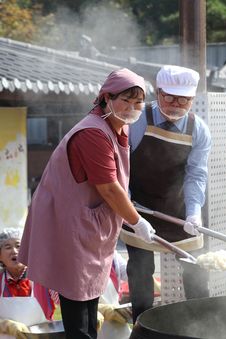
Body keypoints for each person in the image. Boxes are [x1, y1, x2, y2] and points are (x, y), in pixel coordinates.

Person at [18, 68, 155, 339]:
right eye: (125, 100)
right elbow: (108, 187)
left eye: (138, 102)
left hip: (90, 224)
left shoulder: (118, 127)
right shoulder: (92, 133)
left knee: (90, 300)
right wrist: (136, 221)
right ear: (106, 98)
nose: (132, 108)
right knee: (78, 307)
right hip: (72, 224)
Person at [120, 65, 211, 322]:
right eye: (169, 96)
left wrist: (194, 213)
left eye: (183, 99)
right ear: (158, 93)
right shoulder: (136, 120)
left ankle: (201, 327)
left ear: (192, 99)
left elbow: (196, 175)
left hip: (179, 208)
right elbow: (121, 167)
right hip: (138, 204)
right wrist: (128, 208)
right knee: (140, 273)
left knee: (196, 272)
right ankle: (143, 328)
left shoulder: (199, 129)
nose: (175, 104)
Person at [0, 228, 58, 338]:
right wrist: (4, 325)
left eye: (18, 246)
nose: (14, 251)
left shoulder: (45, 278)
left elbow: (68, 301)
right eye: (8, 247)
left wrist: (93, 309)